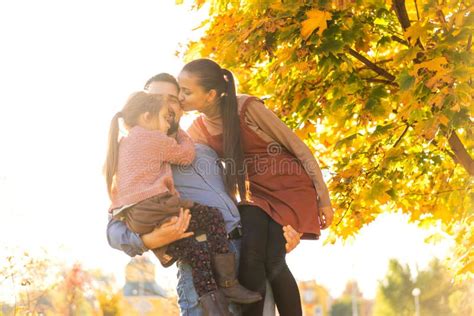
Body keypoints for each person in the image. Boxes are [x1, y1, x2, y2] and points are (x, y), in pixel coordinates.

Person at [107, 73, 302, 316]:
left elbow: (248, 194)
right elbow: (114, 228)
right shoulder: (135, 161)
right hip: (203, 267)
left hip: (250, 261)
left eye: (173, 98)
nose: (167, 105)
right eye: (157, 98)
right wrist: (149, 240)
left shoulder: (204, 150)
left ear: (181, 106)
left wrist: (279, 237)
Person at [178, 59, 334, 316]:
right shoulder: (198, 130)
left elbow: (297, 147)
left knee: (273, 259)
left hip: (290, 189)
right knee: (251, 256)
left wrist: (323, 198)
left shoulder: (246, 108)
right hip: (255, 197)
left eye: (187, 91)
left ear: (211, 95)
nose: (181, 96)